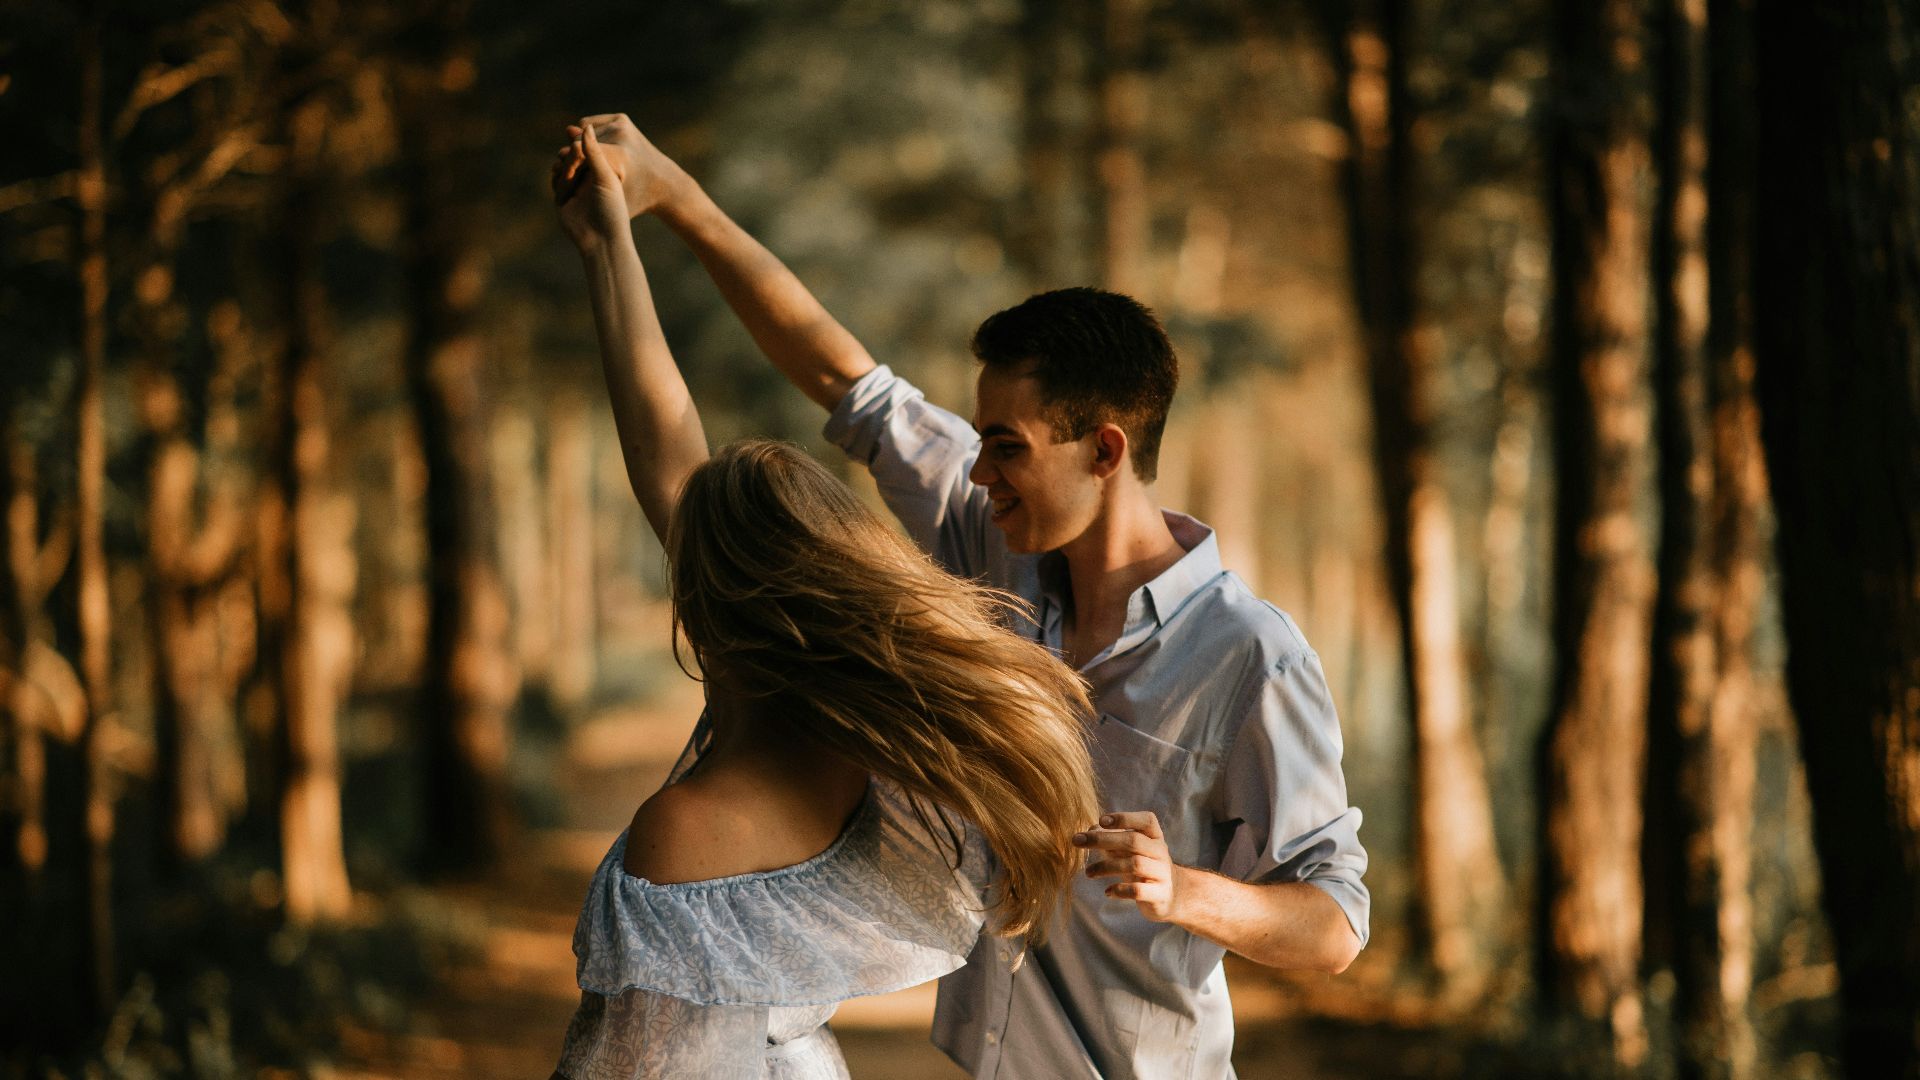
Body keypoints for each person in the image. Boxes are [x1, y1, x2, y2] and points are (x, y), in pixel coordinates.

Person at [570, 113, 1372, 1079]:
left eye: (1006, 446)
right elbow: (842, 378)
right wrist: (673, 201)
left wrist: (1187, 892)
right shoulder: (990, 545)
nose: (977, 469)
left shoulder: (1250, 655)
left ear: (1105, 450)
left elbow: (1335, 928)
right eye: (980, 439)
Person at [546, 122, 1101, 1080]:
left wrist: (621, 238)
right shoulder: (885, 768)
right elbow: (667, 449)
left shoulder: (687, 827)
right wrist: (611, 244)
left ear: (717, 604)